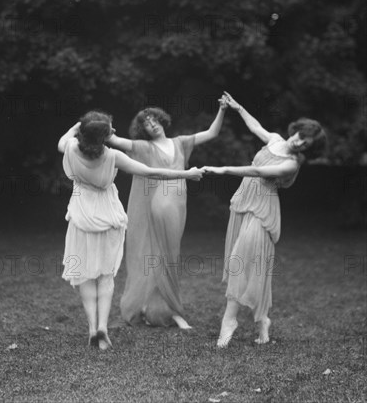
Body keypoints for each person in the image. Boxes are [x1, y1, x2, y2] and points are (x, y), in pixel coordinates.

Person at [57, 111, 204, 350]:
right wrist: (185, 174)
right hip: (108, 217)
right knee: (106, 275)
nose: (115, 131)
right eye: (111, 129)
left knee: (84, 274)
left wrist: (76, 126)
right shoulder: (113, 156)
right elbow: (151, 172)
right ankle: (103, 327)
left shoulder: (71, 148)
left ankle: (93, 328)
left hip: (81, 217)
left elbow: (61, 141)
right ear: (105, 136)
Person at [203, 92, 327, 347]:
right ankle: (262, 320)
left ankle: (230, 320)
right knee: (250, 263)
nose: (299, 142)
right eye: (300, 135)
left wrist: (223, 169)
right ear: (295, 130)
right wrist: (238, 108)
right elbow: (255, 125)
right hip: (245, 200)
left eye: (306, 143)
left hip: (264, 209)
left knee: (242, 258)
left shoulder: (291, 164)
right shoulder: (275, 139)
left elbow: (259, 171)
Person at [107, 96, 228, 329]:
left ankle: (154, 308)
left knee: (167, 255)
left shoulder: (181, 142)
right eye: (146, 124)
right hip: (160, 204)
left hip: (178, 204)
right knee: (165, 256)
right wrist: (106, 128)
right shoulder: (144, 147)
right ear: (143, 130)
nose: (152, 125)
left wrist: (222, 110)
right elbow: (117, 141)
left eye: (154, 120)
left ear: (162, 120)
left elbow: (212, 133)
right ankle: (172, 311)